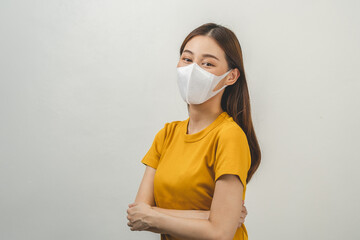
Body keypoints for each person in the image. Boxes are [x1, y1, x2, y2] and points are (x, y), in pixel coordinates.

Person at [126, 22, 261, 240]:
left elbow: (220, 233)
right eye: (187, 59)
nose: (192, 70)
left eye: (207, 63)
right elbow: (137, 214)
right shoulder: (167, 135)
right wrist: (208, 216)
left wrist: (153, 215)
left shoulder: (229, 136)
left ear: (231, 77)